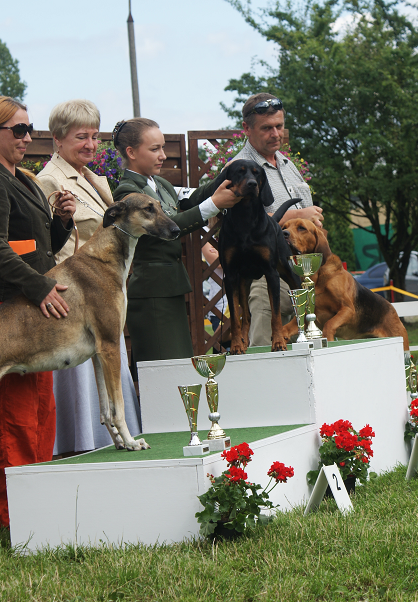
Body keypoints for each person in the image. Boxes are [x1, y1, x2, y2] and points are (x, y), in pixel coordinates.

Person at [37, 99, 141, 455]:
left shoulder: (95, 180)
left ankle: (113, 438)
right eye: (81, 136)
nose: (91, 144)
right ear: (57, 139)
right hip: (72, 297)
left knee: (109, 364)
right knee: (80, 381)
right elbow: (46, 244)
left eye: (95, 136)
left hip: (104, 293)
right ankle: (79, 446)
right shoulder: (49, 179)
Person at [0, 96, 75, 527]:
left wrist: (60, 222)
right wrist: (41, 286)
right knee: (16, 417)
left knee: (40, 412)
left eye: (29, 130)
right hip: (11, 312)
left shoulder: (25, 180)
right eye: (18, 130)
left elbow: (37, 246)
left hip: (31, 311)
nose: (27, 138)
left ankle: (36, 511)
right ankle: (16, 519)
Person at [112, 118, 240, 372]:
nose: (163, 155)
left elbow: (191, 198)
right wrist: (214, 204)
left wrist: (224, 177)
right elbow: (167, 226)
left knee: (178, 366)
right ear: (131, 152)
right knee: (163, 370)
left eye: (163, 147)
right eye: (155, 149)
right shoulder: (127, 191)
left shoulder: (160, 184)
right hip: (152, 291)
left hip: (168, 285)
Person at [232, 93, 324, 346]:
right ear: (247, 128)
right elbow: (245, 225)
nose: (276, 134)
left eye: (279, 126)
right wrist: (299, 215)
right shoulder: (239, 169)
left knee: (309, 352)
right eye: (266, 128)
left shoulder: (287, 164)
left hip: (300, 274)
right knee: (266, 356)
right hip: (266, 278)